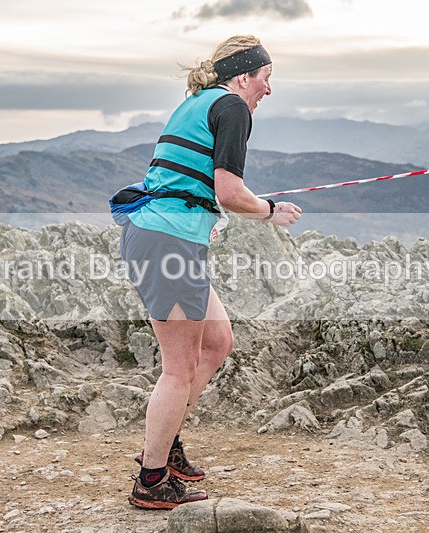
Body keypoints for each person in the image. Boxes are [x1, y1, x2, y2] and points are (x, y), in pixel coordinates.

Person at [120, 35, 302, 510]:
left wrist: (210, 218)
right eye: (265, 79)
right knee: (179, 369)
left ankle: (166, 442)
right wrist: (270, 211)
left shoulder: (200, 100)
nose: (268, 90)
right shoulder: (233, 108)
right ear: (244, 76)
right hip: (167, 242)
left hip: (163, 236)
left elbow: (189, 180)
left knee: (218, 341)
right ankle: (151, 478)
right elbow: (230, 192)